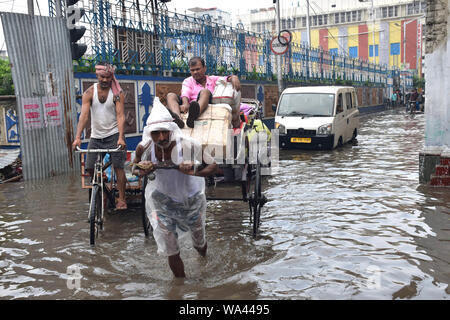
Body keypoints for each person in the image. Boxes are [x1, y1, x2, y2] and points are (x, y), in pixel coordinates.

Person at [135, 98, 217, 278]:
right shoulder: (145, 148)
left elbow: (214, 167)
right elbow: (134, 168)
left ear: (171, 130)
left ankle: (203, 260)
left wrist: (194, 170)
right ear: (150, 133)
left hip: (192, 199)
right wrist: (142, 169)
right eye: (156, 134)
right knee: (171, 248)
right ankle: (180, 287)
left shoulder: (187, 145)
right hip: (163, 202)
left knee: (199, 243)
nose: (162, 138)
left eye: (165, 133)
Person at [72, 62, 128, 210]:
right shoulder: (89, 93)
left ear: (112, 77)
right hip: (96, 137)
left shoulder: (117, 93)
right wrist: (78, 137)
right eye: (102, 77)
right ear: (97, 75)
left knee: (118, 167)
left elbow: (120, 115)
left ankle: (122, 198)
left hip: (114, 134)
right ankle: (102, 189)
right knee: (90, 168)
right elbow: (83, 116)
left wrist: (121, 137)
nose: (104, 80)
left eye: (108, 77)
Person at [166, 56, 241, 129]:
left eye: (198, 69)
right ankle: (178, 120)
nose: (195, 72)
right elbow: (185, 93)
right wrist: (185, 104)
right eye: (192, 70)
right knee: (170, 95)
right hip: (190, 104)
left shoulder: (212, 79)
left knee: (205, 92)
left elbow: (225, 78)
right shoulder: (188, 81)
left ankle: (194, 117)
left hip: (203, 104)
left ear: (204, 68)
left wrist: (233, 77)